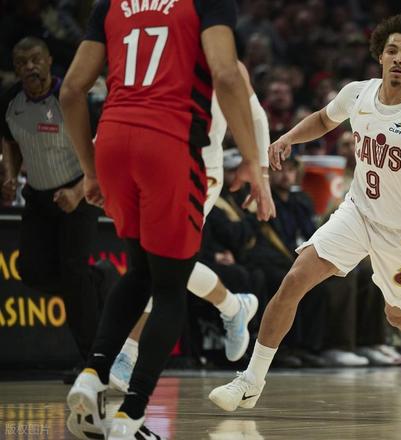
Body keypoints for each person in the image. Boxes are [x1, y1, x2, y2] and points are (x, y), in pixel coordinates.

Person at [209, 13, 401, 412]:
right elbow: (323, 119)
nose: (398, 59)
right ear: (380, 55)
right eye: (392, 50)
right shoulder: (358, 94)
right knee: (295, 280)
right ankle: (251, 380)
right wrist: (288, 138)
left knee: (399, 315)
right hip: (358, 213)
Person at [60, 1, 274, 438]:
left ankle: (102, 367)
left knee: (147, 269)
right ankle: (133, 398)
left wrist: (90, 169)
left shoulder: (116, 7)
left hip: (123, 143)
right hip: (175, 150)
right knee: (167, 280)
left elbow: (70, 90)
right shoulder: (202, 16)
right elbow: (228, 78)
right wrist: (257, 168)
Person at [106, 61, 272, 393]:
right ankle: (233, 307)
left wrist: (260, 170)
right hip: (154, 166)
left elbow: (256, 116)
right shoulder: (160, 52)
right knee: (163, 261)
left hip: (201, 172)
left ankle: (129, 353)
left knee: (159, 259)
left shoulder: (227, 64)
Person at [0, 37, 117, 371]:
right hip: (38, 197)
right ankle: (99, 278)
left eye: (35, 59)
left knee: (72, 272)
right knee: (31, 272)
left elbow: (102, 152)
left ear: (49, 61)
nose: (30, 67)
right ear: (15, 69)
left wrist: (77, 193)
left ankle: (93, 363)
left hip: (80, 193)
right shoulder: (10, 101)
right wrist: (10, 174)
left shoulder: (71, 99)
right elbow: (9, 139)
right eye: (21, 62)